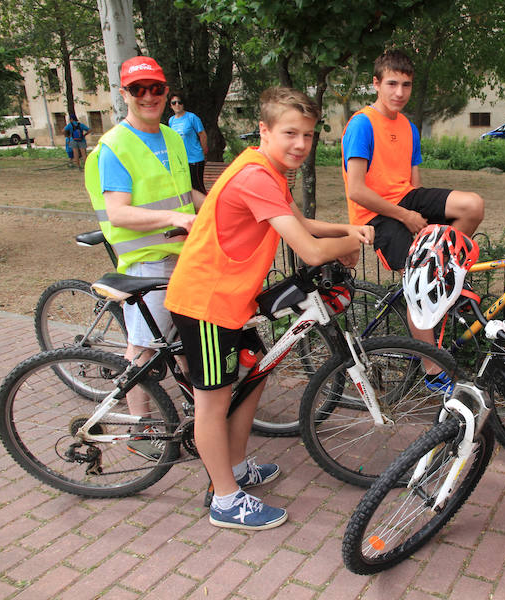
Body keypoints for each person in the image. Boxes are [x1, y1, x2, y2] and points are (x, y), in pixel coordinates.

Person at [164, 86, 373, 530]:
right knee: (212, 402)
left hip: (230, 301)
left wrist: (348, 228)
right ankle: (224, 499)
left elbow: (298, 223)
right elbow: (309, 250)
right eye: (290, 133)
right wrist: (348, 243)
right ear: (265, 129)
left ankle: (236, 467)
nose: (301, 143)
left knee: (256, 369)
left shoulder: (270, 171)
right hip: (207, 303)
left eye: (309, 135)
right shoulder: (256, 176)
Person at [341, 49, 484, 390]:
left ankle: (442, 270)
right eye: (391, 84)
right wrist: (406, 216)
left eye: (406, 85)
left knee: (472, 206)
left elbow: (415, 185)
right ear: (376, 84)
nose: (399, 92)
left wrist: (425, 223)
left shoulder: (408, 126)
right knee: (420, 284)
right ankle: (434, 372)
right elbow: (357, 190)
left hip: (407, 200)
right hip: (376, 216)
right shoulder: (362, 124)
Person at [84, 55, 203, 461]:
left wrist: (224, 206)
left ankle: (200, 415)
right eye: (138, 90)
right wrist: (174, 217)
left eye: (155, 88)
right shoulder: (115, 146)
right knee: (141, 349)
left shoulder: (171, 137)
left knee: (188, 343)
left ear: (166, 91)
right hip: (147, 262)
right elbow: (117, 211)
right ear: (125, 94)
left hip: (183, 257)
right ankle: (140, 428)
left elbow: (187, 197)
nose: (148, 96)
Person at [168, 92, 208, 194]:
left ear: (183, 104)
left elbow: (202, 134)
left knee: (198, 187)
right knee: (187, 187)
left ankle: (207, 208)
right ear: (170, 105)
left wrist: (204, 152)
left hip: (195, 158)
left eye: (179, 102)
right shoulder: (171, 121)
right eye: (174, 103)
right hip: (181, 160)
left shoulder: (192, 117)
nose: (177, 105)